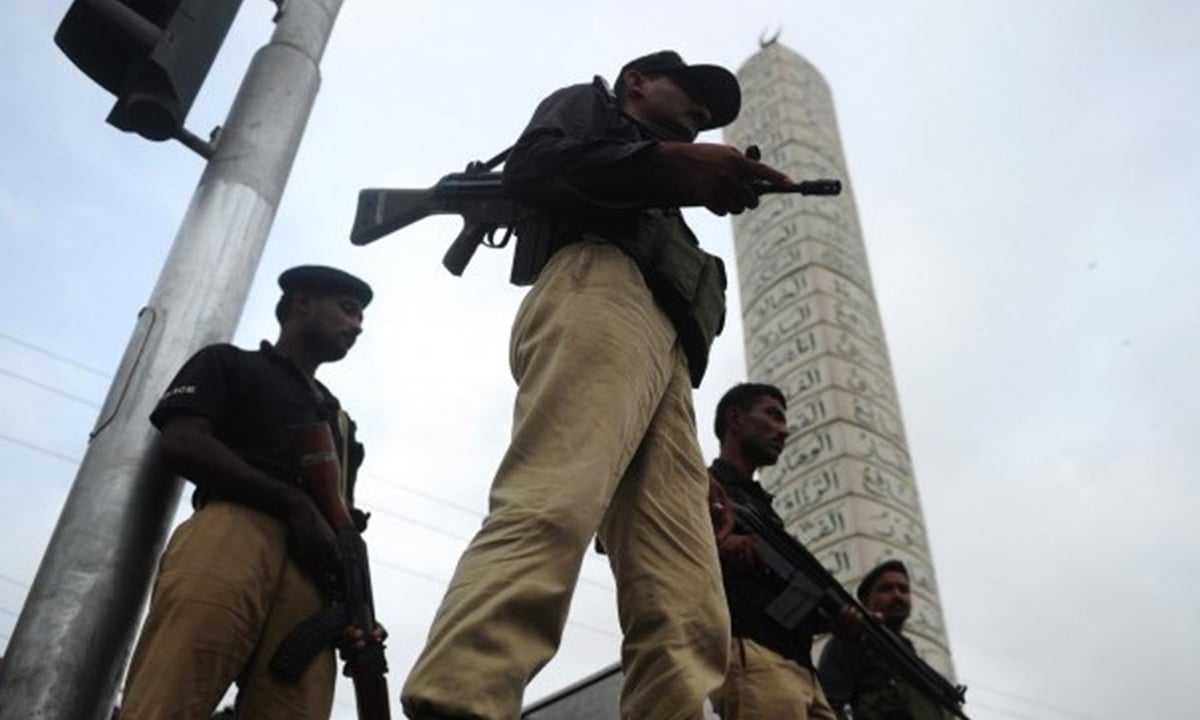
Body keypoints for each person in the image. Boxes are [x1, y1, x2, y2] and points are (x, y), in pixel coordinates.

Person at [400, 51, 792, 720]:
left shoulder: (660, 189)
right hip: (599, 293)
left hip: (663, 363)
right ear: (637, 82)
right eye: (692, 96)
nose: (703, 116)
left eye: (710, 114)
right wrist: (673, 168)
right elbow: (535, 169)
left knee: (690, 602)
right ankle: (462, 701)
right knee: (554, 505)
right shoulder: (590, 110)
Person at [118, 265, 373, 720]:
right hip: (233, 532)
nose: (357, 326)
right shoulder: (230, 363)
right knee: (169, 697)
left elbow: (341, 521)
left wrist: (356, 610)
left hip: (313, 579)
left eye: (359, 317)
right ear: (301, 303)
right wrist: (290, 502)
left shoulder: (341, 421)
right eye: (348, 309)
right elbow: (182, 442)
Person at [706, 382, 841, 720]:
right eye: (773, 416)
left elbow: (790, 600)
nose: (783, 430)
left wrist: (838, 618)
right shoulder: (705, 487)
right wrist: (720, 547)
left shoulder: (763, 511)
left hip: (801, 668)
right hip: (754, 658)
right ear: (735, 419)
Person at [818, 560, 949, 720]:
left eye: (903, 589)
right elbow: (826, 705)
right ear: (866, 602)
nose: (897, 595)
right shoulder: (850, 642)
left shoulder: (911, 656)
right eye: (886, 589)